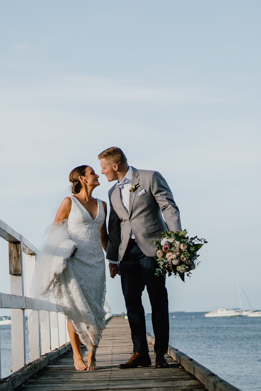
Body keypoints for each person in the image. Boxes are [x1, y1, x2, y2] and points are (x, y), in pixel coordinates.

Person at [101, 146, 181, 369]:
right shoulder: (112, 192)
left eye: (104, 167)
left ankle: (160, 354)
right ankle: (140, 353)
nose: (101, 172)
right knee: (132, 304)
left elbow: (168, 207)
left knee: (158, 301)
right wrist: (113, 259)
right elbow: (114, 227)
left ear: (115, 166)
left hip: (154, 249)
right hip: (127, 254)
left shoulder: (150, 178)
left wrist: (175, 241)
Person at [39, 165, 109, 371]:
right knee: (76, 308)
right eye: (92, 173)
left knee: (95, 308)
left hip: (96, 261)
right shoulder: (69, 202)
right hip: (75, 261)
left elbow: (104, 237)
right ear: (82, 178)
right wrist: (65, 248)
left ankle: (92, 355)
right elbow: (55, 229)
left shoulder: (103, 204)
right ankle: (77, 355)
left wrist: (113, 261)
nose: (97, 175)